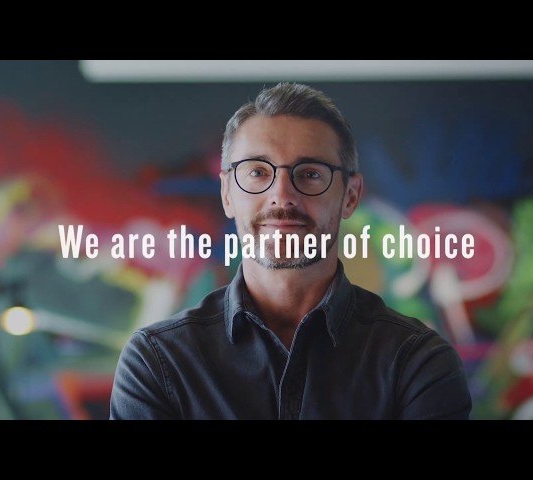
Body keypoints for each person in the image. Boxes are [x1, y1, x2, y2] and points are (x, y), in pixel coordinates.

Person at [109, 82, 472, 419]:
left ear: (350, 196)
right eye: (257, 172)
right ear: (227, 194)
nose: (282, 196)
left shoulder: (418, 362)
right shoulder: (158, 361)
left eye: (310, 173)